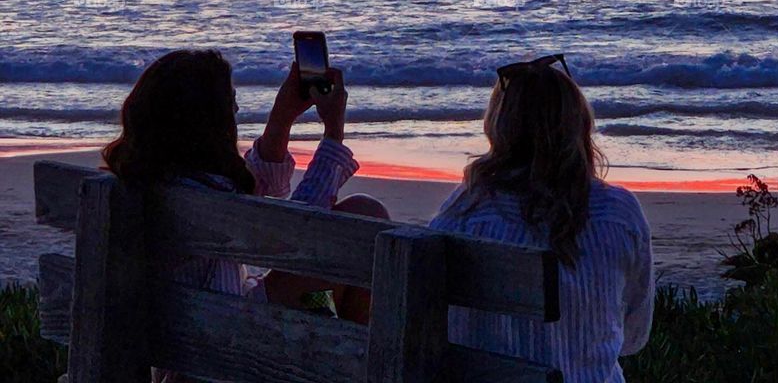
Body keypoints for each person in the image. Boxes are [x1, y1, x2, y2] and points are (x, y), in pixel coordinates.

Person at [103, 49, 385, 382]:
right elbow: (303, 238)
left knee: (358, 220)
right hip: (225, 347)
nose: (236, 112)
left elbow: (252, 189)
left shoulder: (154, 181)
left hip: (185, 346)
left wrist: (282, 118)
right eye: (230, 105)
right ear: (210, 122)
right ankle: (365, 368)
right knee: (363, 221)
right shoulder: (211, 198)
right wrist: (333, 132)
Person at [429, 53, 653, 383]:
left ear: (499, 127)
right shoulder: (619, 213)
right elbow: (634, 337)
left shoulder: (463, 213)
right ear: (579, 124)